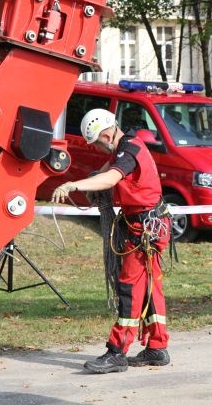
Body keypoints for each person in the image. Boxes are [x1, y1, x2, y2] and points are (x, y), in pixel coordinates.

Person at [51, 108, 172, 374]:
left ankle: (117, 351)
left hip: (144, 230)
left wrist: (73, 185)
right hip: (150, 225)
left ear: (106, 135)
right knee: (151, 286)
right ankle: (157, 345)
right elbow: (103, 174)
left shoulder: (127, 151)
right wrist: (90, 181)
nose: (97, 148)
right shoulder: (128, 146)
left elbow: (111, 177)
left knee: (130, 288)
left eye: (96, 143)